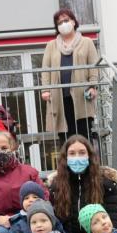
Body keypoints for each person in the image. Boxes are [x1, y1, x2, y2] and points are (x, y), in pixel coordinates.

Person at [48, 135, 117, 233]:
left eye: (82, 152)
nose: (77, 157)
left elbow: (114, 219)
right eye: (72, 153)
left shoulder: (106, 183)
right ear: (65, 158)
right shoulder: (56, 186)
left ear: (89, 155)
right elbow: (55, 221)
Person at [40, 8, 100, 144]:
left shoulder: (87, 42)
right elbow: (45, 69)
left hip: (81, 97)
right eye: (59, 22)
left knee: (84, 135)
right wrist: (45, 90)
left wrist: (93, 86)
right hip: (59, 97)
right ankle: (67, 164)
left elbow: (94, 67)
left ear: (73, 21)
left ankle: (88, 164)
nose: (63, 24)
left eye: (66, 20)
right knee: (65, 137)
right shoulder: (51, 45)